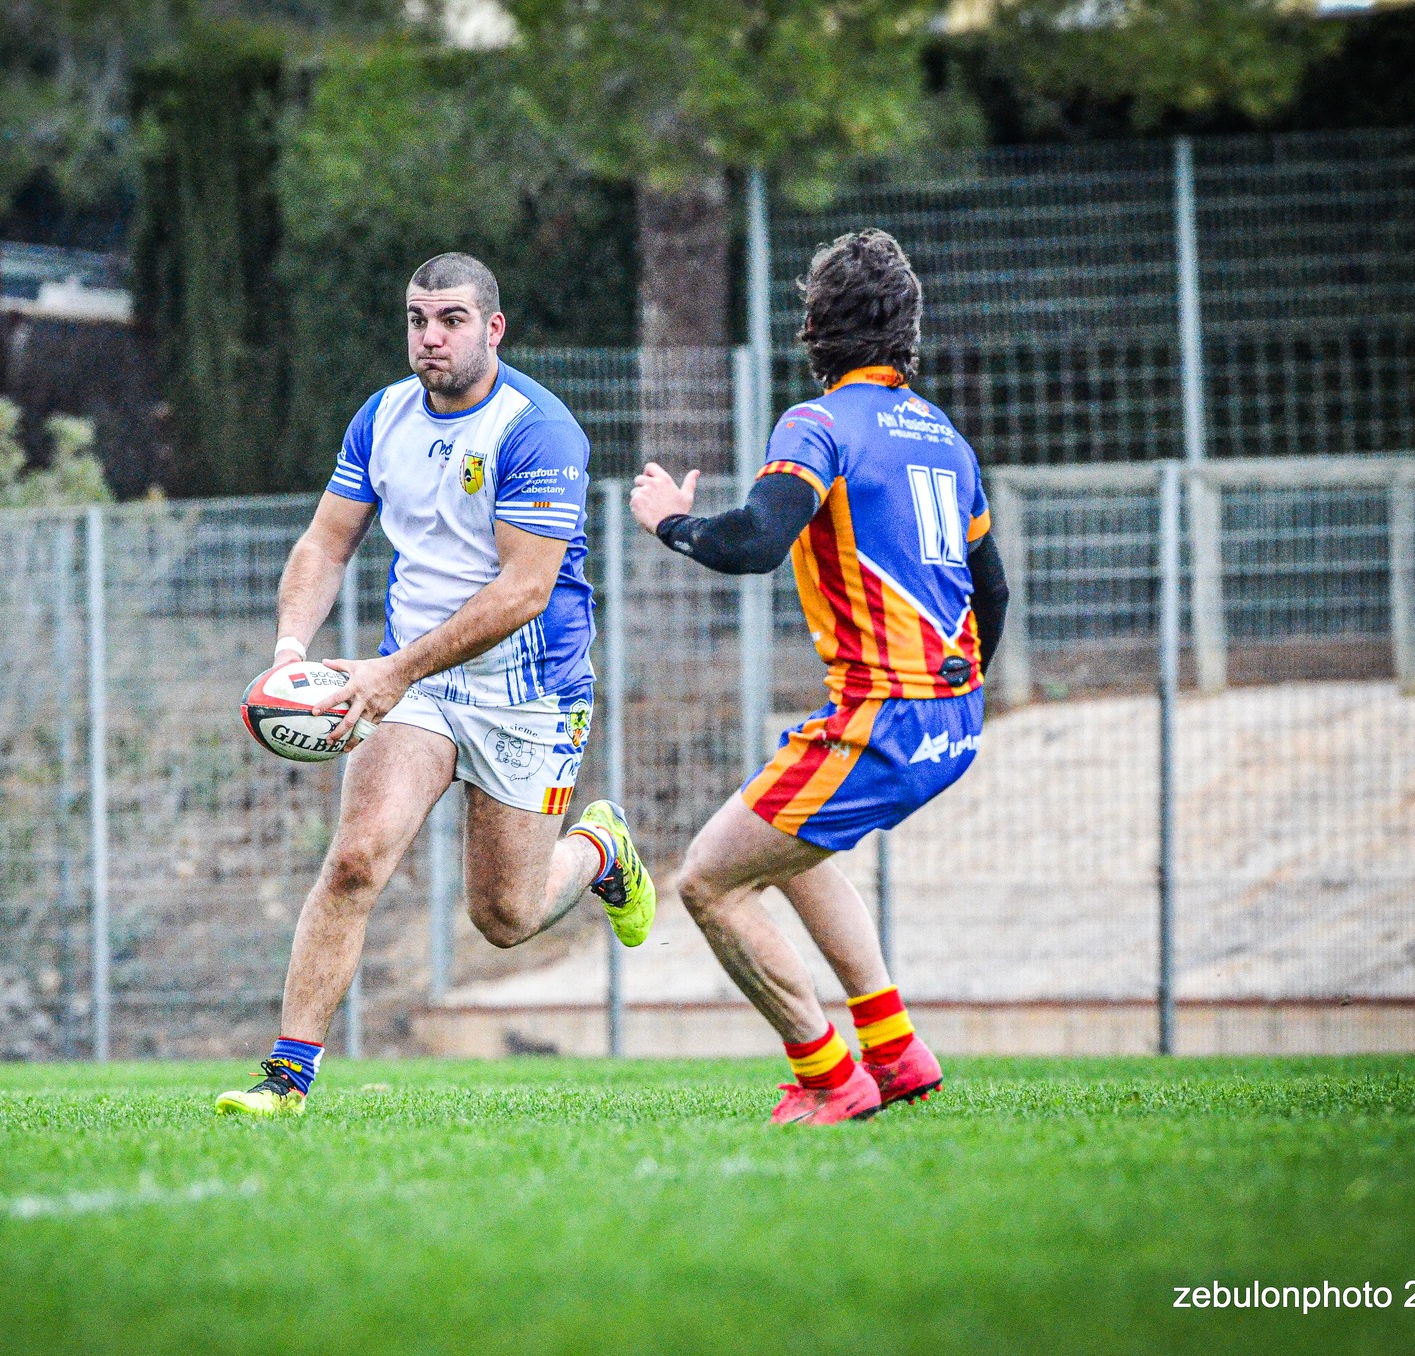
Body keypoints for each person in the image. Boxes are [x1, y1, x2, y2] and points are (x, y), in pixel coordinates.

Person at [217, 253, 655, 1117]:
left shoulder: (540, 431)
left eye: (451, 320)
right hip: (414, 690)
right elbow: (325, 543)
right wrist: (290, 647)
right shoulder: (382, 416)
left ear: (493, 328)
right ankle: (287, 1080)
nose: (430, 337)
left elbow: (523, 591)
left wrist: (389, 670)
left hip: (529, 691)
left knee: (505, 916)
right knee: (354, 861)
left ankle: (602, 850)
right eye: (418, 319)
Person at [628, 229, 1009, 1125]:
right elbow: (991, 590)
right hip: (952, 717)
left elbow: (757, 541)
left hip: (888, 717)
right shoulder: (944, 439)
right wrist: (954, 689)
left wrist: (673, 525)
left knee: (708, 881)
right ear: (906, 330)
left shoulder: (820, 423)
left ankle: (832, 1077)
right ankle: (895, 1048)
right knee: (793, 843)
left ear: (814, 329)